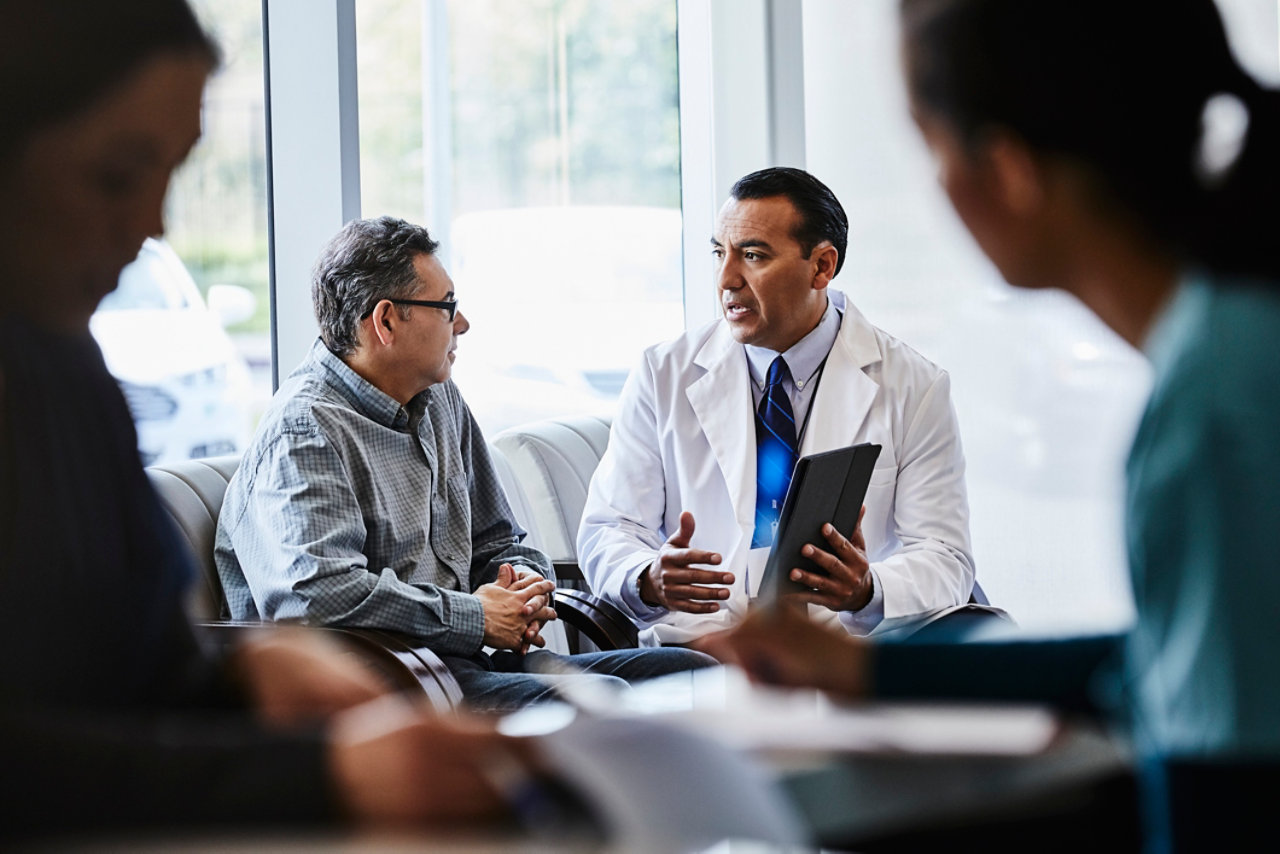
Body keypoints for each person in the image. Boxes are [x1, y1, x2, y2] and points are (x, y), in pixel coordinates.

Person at [701, 0, 1280, 849]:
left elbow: (1229, 793)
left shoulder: (1214, 411)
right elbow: (1165, 662)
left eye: (929, 146)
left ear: (1007, 172)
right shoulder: (1237, 340)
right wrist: (867, 666)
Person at [0, 0, 543, 840]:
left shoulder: (70, 377)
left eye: (169, 174)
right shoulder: (300, 426)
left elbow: (136, 670)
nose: (153, 225)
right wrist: (323, 768)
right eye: (116, 174)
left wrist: (245, 666)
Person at [215, 216, 714, 713]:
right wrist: (475, 617)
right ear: (386, 320)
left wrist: (520, 588)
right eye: (447, 306)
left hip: (460, 666)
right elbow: (316, 597)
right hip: (381, 692)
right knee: (602, 706)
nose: (463, 324)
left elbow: (499, 540)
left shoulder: (439, 398)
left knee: (696, 677)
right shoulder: (305, 430)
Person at [578, 166, 978, 645]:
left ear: (822, 267)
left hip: (845, 656)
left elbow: (945, 556)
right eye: (718, 254)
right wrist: (647, 577)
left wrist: (867, 589)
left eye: (753, 255)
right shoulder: (664, 372)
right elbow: (610, 526)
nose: (727, 279)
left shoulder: (913, 386)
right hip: (701, 650)